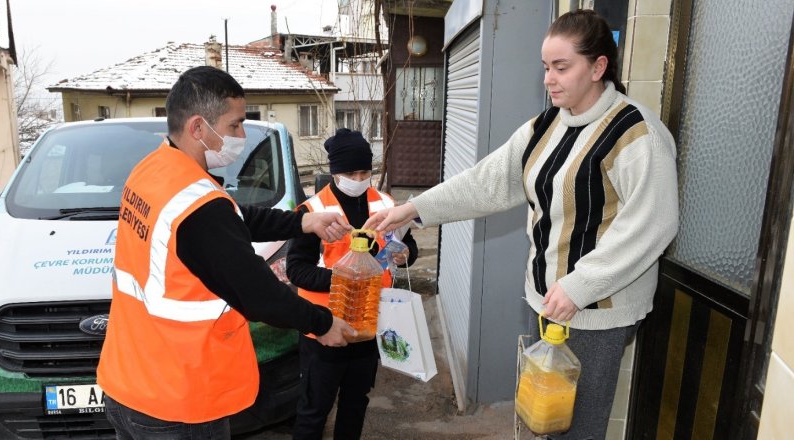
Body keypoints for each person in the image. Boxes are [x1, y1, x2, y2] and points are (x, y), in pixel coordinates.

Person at [365, 10, 679, 440]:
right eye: (546, 67)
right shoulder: (546, 126)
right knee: (540, 416)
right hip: (546, 302)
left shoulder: (637, 133)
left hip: (595, 312)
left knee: (576, 427)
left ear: (599, 66)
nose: (549, 78)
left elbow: (653, 223)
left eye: (562, 67)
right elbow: (485, 183)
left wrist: (580, 286)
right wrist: (413, 209)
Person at [97, 66, 356, 440]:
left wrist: (303, 222)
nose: (241, 135)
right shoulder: (198, 207)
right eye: (235, 125)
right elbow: (258, 293)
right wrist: (322, 324)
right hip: (179, 401)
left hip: (129, 384)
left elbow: (232, 219)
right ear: (198, 128)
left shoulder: (154, 170)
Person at [286, 128, 418, 440]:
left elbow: (407, 247)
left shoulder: (385, 203)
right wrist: (346, 279)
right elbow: (297, 271)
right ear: (334, 172)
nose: (358, 179)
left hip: (369, 326)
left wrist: (406, 255)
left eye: (364, 172)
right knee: (314, 408)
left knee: (355, 403)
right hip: (323, 327)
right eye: (349, 172)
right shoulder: (313, 211)